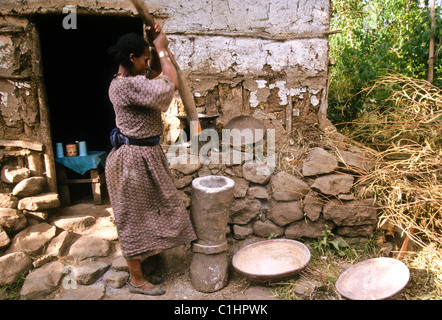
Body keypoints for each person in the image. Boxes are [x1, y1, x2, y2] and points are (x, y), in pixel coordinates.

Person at [106, 21, 196, 296]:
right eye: (144, 59)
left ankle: (151, 266)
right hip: (131, 162)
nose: (149, 65)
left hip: (146, 157)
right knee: (132, 219)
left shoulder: (135, 79)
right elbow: (167, 87)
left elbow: (156, 72)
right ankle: (136, 279)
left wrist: (150, 40)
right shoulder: (123, 87)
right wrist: (161, 49)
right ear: (131, 58)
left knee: (162, 210)